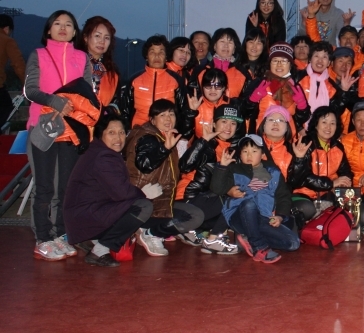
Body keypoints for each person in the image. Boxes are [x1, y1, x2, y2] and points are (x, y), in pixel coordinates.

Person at [25, 10, 96, 261]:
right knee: (44, 187)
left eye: (68, 24)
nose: (63, 28)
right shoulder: (39, 54)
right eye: (57, 24)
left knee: (65, 188)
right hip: (42, 127)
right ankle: (42, 239)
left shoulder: (81, 57)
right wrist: (54, 101)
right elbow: (30, 90)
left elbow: (87, 93)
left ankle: (59, 235)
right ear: (48, 30)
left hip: (70, 130)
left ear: (75, 32)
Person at [63, 110, 157, 267]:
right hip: (84, 217)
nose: (118, 138)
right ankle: (100, 250)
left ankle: (91, 239)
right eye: (111, 132)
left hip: (83, 214)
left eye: (121, 133)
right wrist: (143, 193)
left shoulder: (99, 151)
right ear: (101, 134)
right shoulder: (103, 157)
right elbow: (121, 193)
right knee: (142, 206)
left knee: (135, 204)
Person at [125, 99, 204, 256]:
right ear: (152, 119)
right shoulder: (147, 137)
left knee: (199, 214)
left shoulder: (164, 136)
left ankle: (150, 232)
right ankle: (148, 231)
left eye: (171, 114)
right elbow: (145, 163)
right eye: (162, 115)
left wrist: (190, 114)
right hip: (146, 205)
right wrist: (164, 149)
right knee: (193, 217)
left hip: (162, 202)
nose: (168, 119)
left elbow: (184, 137)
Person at [211, 134, 299, 264]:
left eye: (254, 151)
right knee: (249, 204)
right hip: (239, 215)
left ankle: (248, 237)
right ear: (240, 155)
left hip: (263, 217)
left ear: (263, 154)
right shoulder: (234, 169)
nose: (249, 155)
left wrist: (280, 216)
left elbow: (283, 196)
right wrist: (223, 168)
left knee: (293, 243)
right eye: (245, 151)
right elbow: (216, 188)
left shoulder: (273, 172)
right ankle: (259, 247)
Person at [176, 104, 241, 254]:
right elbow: (184, 166)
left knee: (238, 202)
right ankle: (212, 240)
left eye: (233, 123)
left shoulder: (231, 151)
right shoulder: (206, 146)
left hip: (205, 205)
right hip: (187, 201)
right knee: (232, 200)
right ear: (214, 124)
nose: (228, 127)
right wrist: (202, 141)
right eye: (224, 121)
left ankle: (192, 229)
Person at [118, 35, 194, 138]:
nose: (157, 56)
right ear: (146, 56)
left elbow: (182, 112)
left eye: (161, 52)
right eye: (152, 52)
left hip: (167, 135)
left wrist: (179, 135)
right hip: (139, 133)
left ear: (166, 56)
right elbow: (125, 111)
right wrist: (127, 132)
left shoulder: (176, 80)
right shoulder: (135, 80)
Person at [291, 106, 352, 217]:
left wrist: (340, 185)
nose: (328, 127)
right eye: (324, 122)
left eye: (332, 123)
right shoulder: (305, 143)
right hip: (302, 193)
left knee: (349, 203)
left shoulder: (337, 147)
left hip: (326, 194)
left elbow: (346, 173)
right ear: (316, 124)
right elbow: (303, 177)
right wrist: (331, 183)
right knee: (307, 209)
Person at [249, 43, 310, 130]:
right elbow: (245, 112)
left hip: (286, 137)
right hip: (261, 136)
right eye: (275, 60)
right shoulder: (259, 83)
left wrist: (302, 106)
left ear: (290, 65)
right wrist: (252, 100)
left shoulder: (295, 86)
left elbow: (301, 120)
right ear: (269, 64)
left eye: (284, 61)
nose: (279, 64)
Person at [74, 16, 119, 109]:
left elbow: (114, 103)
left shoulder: (112, 73)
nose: (102, 41)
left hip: (100, 121)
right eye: (97, 36)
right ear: (85, 38)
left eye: (106, 38)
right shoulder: (73, 63)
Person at [297, 41, 349, 116]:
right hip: (299, 126)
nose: (320, 60)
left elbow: (335, 112)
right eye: (316, 56)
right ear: (310, 59)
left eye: (324, 57)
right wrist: (299, 127)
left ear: (328, 63)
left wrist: (344, 91)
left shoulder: (331, 86)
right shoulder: (297, 78)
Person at [187, 68, 230, 140]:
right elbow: (185, 134)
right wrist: (191, 112)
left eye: (218, 85)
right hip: (200, 147)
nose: (213, 90)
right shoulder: (194, 104)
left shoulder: (231, 105)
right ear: (202, 87)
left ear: (224, 88)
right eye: (208, 85)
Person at [0, 14, 25, 125]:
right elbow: (18, 64)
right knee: (7, 108)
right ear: (6, 28)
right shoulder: (7, 41)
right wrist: (27, 83)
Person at [328, 46, 358, 134]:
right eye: (340, 61)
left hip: (349, 134)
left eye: (348, 63)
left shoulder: (355, 83)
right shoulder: (324, 82)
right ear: (332, 63)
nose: (344, 66)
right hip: (330, 132)